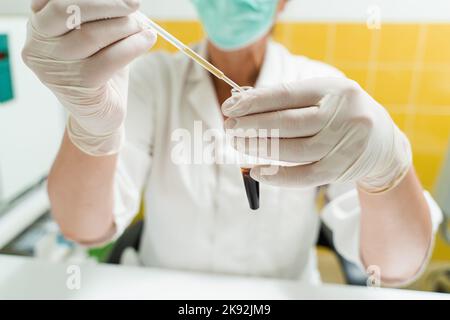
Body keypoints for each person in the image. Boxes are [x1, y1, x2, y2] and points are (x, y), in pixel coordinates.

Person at [22, 0, 441, 286]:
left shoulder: (324, 92)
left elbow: (394, 268)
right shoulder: (147, 81)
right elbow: (84, 229)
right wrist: (91, 127)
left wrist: (387, 169)